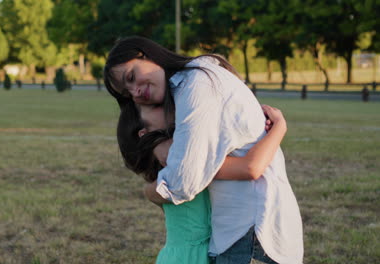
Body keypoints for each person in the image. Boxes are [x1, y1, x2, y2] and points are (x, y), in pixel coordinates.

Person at [104, 36, 303, 264]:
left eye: (131, 77)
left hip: (250, 231)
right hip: (243, 232)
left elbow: (184, 179)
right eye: (128, 93)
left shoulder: (196, 83)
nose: (135, 92)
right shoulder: (197, 79)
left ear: (146, 55)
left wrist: (154, 189)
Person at [117, 101, 290, 264]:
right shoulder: (186, 171)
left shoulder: (164, 181)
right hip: (189, 258)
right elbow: (250, 166)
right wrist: (279, 128)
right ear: (145, 134)